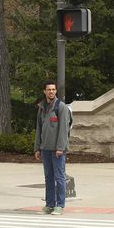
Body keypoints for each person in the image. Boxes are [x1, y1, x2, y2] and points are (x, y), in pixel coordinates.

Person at [33, 81, 70, 215]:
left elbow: (64, 129)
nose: (51, 92)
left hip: (57, 150)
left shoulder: (61, 107)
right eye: (49, 90)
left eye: (53, 89)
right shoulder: (41, 108)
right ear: (44, 91)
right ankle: (49, 205)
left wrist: (60, 147)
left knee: (59, 177)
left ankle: (60, 205)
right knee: (48, 177)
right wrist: (37, 148)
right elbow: (39, 129)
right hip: (45, 149)